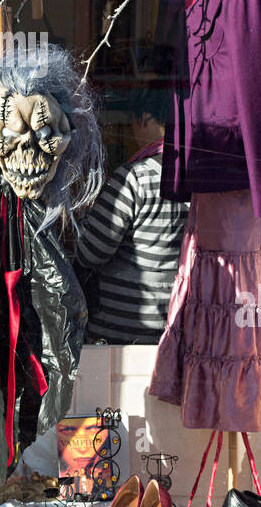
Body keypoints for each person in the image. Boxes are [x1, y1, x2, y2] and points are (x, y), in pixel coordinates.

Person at [74, 88, 188, 345]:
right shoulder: (193, 177)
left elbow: (91, 253)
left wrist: (80, 221)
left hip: (119, 330)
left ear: (144, 119)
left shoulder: (134, 178)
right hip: (172, 327)